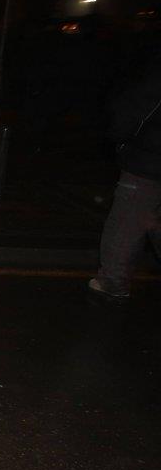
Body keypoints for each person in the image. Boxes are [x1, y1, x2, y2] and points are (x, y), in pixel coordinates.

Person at [88, 53, 161, 303]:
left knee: (128, 220)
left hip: (149, 161)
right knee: (147, 218)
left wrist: (121, 142)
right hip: (150, 158)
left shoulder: (152, 79)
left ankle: (113, 280)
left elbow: (132, 113)